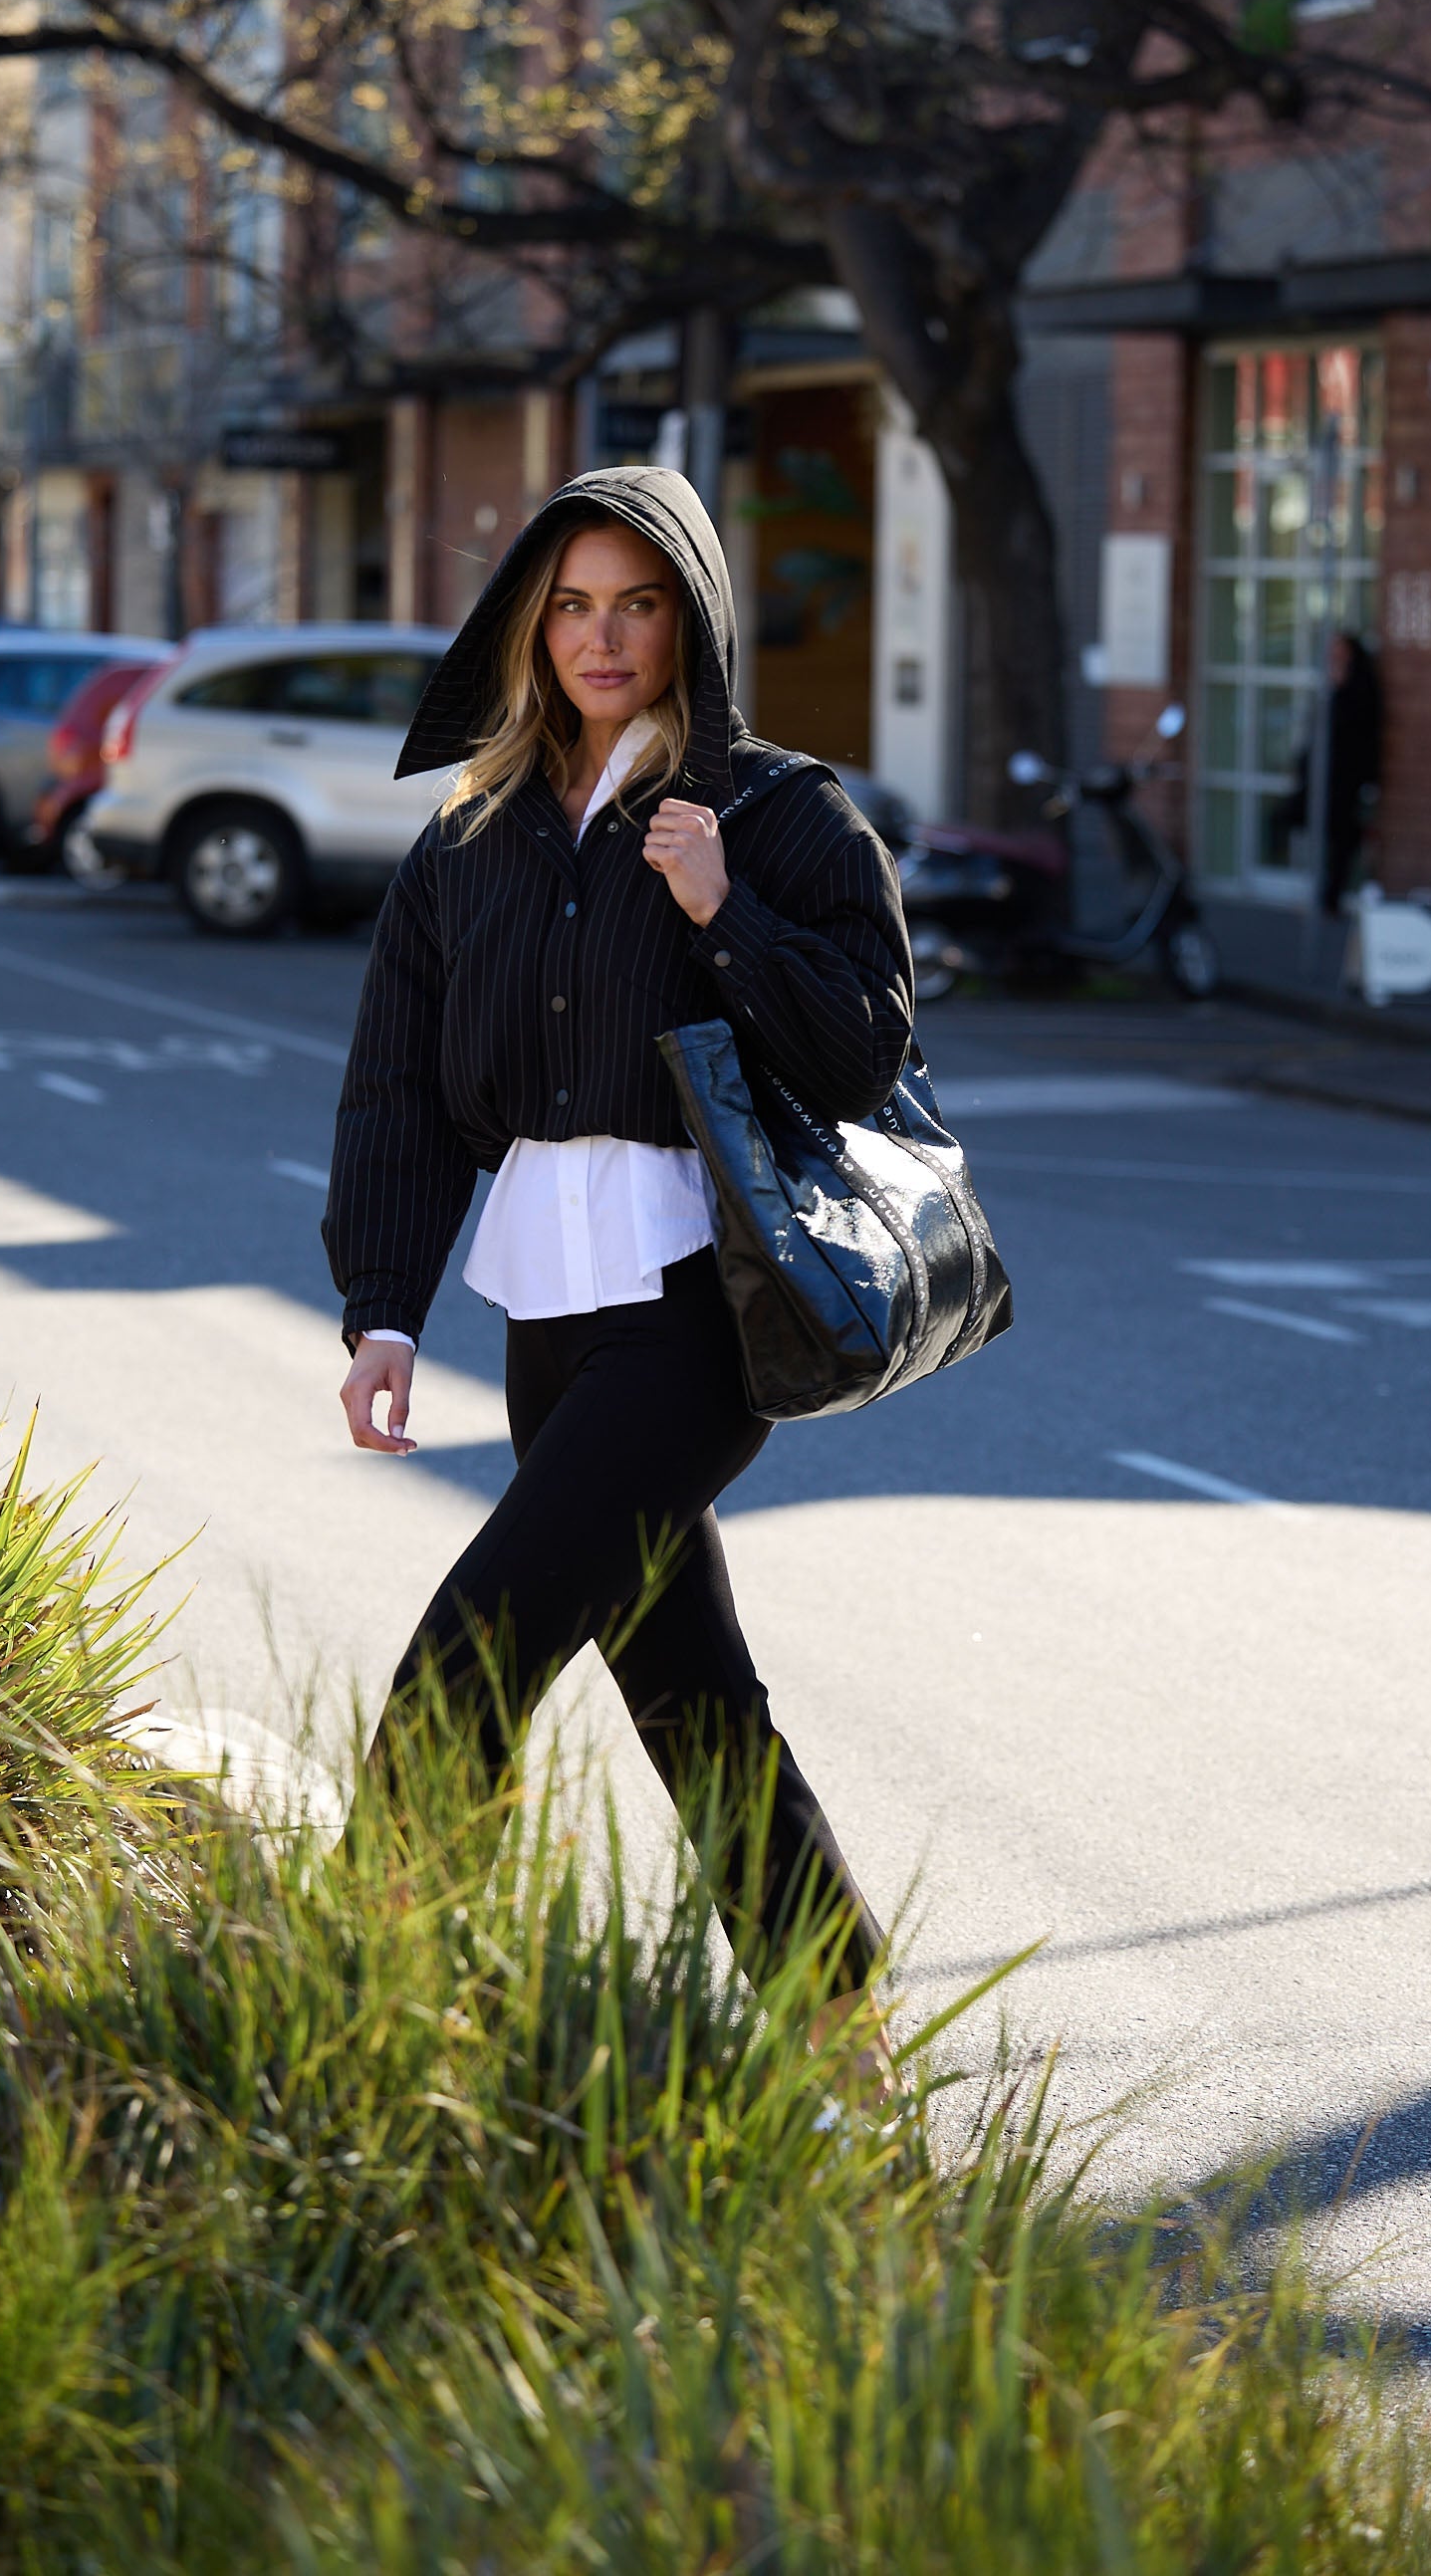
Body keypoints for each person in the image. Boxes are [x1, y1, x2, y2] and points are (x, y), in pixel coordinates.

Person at [323, 464, 911, 2033]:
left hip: (701, 1310)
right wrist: (383, 1309)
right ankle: (846, 2030)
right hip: (549, 1311)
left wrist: (729, 914)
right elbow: (397, 1083)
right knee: (688, 1694)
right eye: (572, 605)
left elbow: (868, 1058)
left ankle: (364, 2016)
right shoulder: (475, 834)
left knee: (460, 1675)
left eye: (636, 604)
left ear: (690, 620)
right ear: (531, 622)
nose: (601, 637)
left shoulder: (781, 813)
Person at [1285, 629, 1383, 914]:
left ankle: (1332, 896)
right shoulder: (1331, 683)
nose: (1334, 657)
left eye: (1340, 651)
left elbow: (1359, 732)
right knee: (1310, 824)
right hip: (1321, 772)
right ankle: (1314, 887)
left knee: (1341, 837)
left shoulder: (1361, 687)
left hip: (1346, 773)